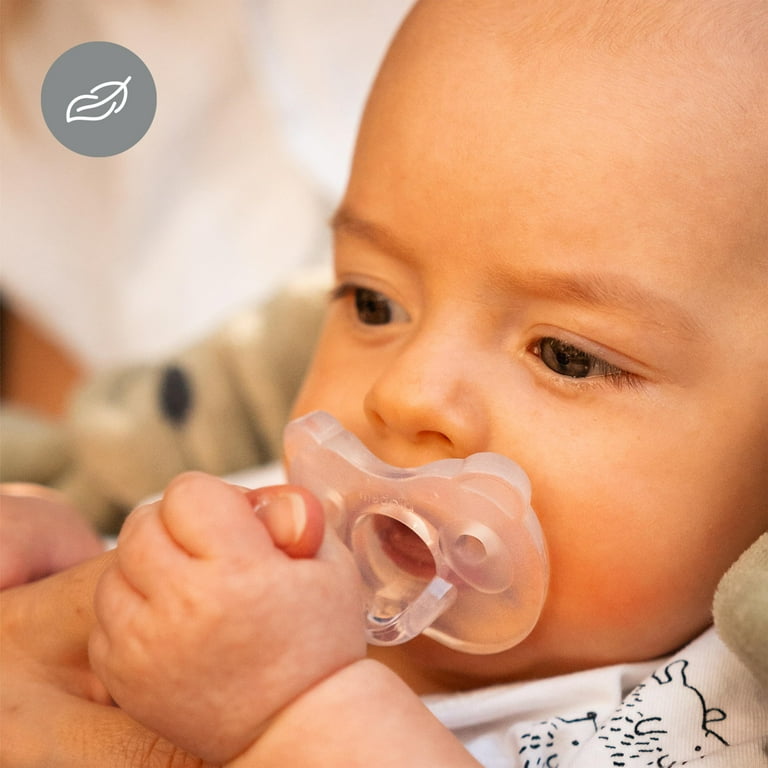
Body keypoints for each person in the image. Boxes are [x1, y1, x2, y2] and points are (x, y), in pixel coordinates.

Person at [2, 0, 767, 765]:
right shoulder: (274, 528)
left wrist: (289, 712)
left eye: (566, 357)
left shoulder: (717, 717)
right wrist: (72, 553)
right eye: (373, 303)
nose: (405, 392)